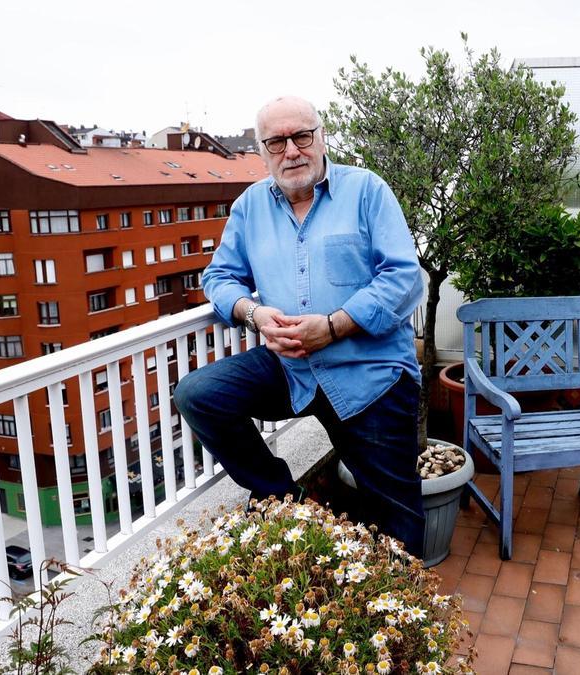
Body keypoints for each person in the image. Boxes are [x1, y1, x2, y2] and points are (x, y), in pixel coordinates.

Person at [173, 95, 425, 556]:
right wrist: (254, 313)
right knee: (198, 394)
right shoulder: (250, 207)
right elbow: (219, 276)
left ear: (321, 137)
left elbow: (404, 278)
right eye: (277, 141)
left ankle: (408, 612)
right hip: (290, 369)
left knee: (397, 521)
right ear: (263, 151)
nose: (291, 150)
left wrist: (333, 327)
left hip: (369, 375)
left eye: (301, 136)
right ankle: (281, 498)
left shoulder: (366, 190)